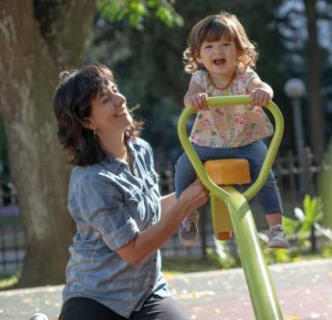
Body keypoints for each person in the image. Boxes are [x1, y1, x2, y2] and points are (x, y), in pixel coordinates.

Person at [53, 64, 209, 320]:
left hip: (147, 293)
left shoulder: (140, 150)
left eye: (115, 89)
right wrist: (184, 206)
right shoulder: (91, 179)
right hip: (96, 296)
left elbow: (150, 210)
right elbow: (134, 251)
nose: (120, 98)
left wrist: (195, 191)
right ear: (86, 121)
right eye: (106, 98)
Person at [175, 12, 289, 249]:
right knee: (183, 166)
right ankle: (187, 216)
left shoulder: (244, 75)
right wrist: (194, 99)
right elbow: (189, 96)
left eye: (226, 44)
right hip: (208, 142)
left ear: (239, 51)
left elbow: (261, 86)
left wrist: (263, 92)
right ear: (198, 55)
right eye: (209, 46)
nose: (218, 51)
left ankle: (276, 229)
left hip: (246, 140)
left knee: (265, 173)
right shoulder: (200, 78)